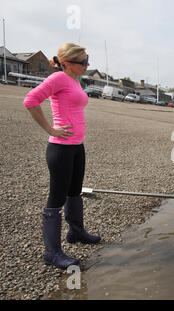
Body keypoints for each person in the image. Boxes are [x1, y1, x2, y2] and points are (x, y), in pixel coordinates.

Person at [24, 43, 100, 269]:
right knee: (55, 200)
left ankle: (76, 232)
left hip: (77, 146)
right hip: (61, 149)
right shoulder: (57, 79)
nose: (88, 65)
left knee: (74, 192)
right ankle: (52, 253)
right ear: (66, 63)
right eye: (84, 62)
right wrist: (50, 129)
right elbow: (30, 101)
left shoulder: (75, 80)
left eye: (88, 59)